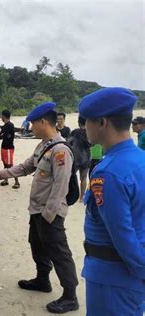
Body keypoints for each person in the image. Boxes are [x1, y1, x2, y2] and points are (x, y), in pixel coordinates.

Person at [0, 102, 79, 314]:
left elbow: (61, 186)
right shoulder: (43, 146)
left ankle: (70, 296)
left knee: (59, 252)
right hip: (37, 210)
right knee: (37, 245)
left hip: (50, 213)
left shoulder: (60, 150)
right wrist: (0, 173)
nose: (30, 128)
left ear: (43, 122)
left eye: (32, 124)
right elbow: (26, 167)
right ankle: (42, 280)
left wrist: (49, 214)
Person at [78, 87, 145, 315]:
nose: (84, 126)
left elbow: (122, 234)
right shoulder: (140, 160)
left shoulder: (108, 172)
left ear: (102, 123)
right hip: (131, 276)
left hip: (114, 277)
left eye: (87, 120)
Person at [68, 116, 90, 201]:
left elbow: (68, 142)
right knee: (83, 178)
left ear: (79, 122)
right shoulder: (89, 132)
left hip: (76, 158)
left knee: (71, 176)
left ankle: (71, 194)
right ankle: (81, 197)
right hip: (87, 158)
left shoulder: (75, 132)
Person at [0, 110, 20, 189]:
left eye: (1, 116)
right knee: (5, 164)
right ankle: (6, 180)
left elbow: (8, 136)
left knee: (10, 165)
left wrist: (4, 135)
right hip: (3, 147)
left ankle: (17, 182)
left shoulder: (10, 125)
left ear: (4, 116)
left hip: (9, 148)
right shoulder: (5, 125)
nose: (1, 118)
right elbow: (0, 137)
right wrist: (3, 135)